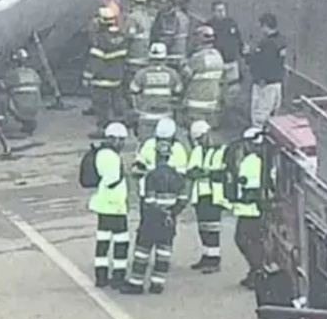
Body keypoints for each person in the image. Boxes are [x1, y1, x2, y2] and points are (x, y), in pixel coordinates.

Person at [121, 140, 186, 295]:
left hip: (152, 220)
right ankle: (157, 284)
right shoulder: (177, 177)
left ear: (157, 156)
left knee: (142, 252)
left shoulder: (152, 176)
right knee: (163, 252)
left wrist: (160, 212)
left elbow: (149, 200)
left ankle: (136, 283)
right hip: (169, 221)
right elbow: (183, 199)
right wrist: (171, 213)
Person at [88, 122, 130, 288]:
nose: (123, 144)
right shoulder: (111, 156)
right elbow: (112, 180)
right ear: (114, 139)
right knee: (121, 242)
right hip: (115, 206)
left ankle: (101, 276)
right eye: (121, 140)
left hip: (103, 205)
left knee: (103, 241)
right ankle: (118, 277)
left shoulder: (100, 153)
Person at [186, 120, 228, 274]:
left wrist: (205, 172)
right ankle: (206, 255)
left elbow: (222, 172)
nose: (200, 141)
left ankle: (214, 259)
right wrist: (206, 172)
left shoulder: (221, 151)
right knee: (203, 227)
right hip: (200, 194)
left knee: (212, 228)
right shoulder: (197, 151)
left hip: (214, 195)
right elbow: (191, 172)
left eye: (202, 137)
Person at [229, 127, 267, 289]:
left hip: (253, 209)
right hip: (248, 208)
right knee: (251, 241)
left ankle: (257, 272)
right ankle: (255, 271)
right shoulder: (253, 159)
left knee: (245, 240)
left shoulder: (255, 160)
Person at [84, 8, 128, 137]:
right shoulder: (120, 36)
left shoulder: (100, 39)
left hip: (102, 79)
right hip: (117, 77)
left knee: (101, 105)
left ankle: (103, 129)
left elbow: (95, 61)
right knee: (117, 103)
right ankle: (119, 126)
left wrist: (87, 76)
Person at [129, 43, 182, 140]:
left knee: (145, 146)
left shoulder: (141, 74)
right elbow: (178, 93)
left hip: (146, 116)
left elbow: (133, 92)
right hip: (166, 116)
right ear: (165, 58)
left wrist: (137, 110)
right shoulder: (172, 74)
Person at [245, 13, 287, 128]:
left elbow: (260, 62)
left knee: (260, 115)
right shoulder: (281, 41)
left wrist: (248, 55)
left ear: (265, 26)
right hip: (277, 82)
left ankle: (257, 140)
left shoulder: (267, 44)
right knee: (273, 115)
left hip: (265, 84)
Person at [182, 26, 226, 129]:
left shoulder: (198, 58)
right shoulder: (218, 56)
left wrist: (183, 64)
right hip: (212, 103)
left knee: (195, 132)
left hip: (196, 104)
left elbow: (185, 76)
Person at [132, 116, 188, 197]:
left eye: (167, 139)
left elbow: (182, 174)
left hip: (170, 194)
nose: (163, 143)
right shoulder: (148, 145)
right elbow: (137, 168)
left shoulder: (178, 149)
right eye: (159, 139)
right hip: (148, 192)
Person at [207, 1, 243, 109]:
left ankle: (230, 109)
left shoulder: (231, 23)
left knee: (233, 89)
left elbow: (238, 39)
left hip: (231, 62)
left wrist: (241, 52)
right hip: (217, 63)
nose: (221, 13)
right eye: (218, 11)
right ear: (213, 12)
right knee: (217, 87)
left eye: (223, 10)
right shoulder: (209, 26)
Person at [0, 49, 42, 135]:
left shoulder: (12, 74)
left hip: (20, 109)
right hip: (34, 108)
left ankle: (0, 121)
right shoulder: (33, 73)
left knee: (0, 98)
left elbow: (2, 86)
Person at [150, 0, 190, 67]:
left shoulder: (171, 17)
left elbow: (167, 38)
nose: (161, 6)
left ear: (170, 2)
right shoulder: (184, 16)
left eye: (164, 3)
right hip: (182, 57)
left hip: (172, 59)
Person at [123, 0, 156, 78]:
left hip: (133, 59)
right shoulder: (147, 16)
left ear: (133, 1)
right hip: (145, 57)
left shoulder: (132, 17)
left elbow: (129, 36)